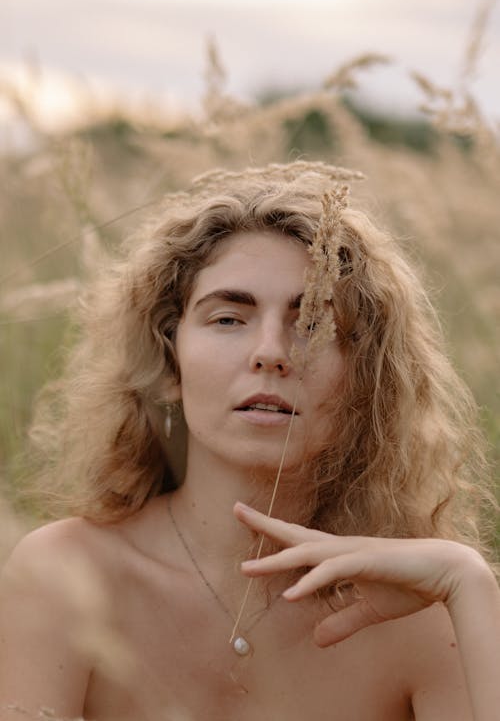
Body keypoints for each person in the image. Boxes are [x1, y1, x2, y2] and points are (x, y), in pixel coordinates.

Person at [0, 161, 498, 721]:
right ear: (168, 363)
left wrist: (467, 580)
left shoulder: (418, 610)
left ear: (368, 379)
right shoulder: (67, 575)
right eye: (228, 319)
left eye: (313, 323)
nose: (271, 351)